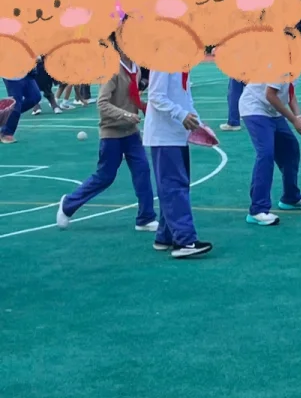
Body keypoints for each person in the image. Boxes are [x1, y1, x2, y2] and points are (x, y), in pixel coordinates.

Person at [56, 42, 157, 230]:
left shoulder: (136, 69)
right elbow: (102, 103)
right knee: (105, 176)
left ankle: (146, 218)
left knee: (142, 171)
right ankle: (68, 204)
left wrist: (144, 108)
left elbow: (131, 97)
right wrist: (125, 115)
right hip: (112, 133)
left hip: (131, 132)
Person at [143, 69, 212, 259]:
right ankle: (184, 240)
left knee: (178, 186)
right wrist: (181, 115)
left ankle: (165, 236)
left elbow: (185, 98)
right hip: (164, 136)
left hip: (177, 134)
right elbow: (156, 96)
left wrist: (199, 124)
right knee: (174, 187)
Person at [239, 80, 301, 224]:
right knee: (266, 154)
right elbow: (270, 95)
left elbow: (290, 92)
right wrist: (293, 120)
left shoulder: (295, 68)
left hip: (272, 111)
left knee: (291, 149)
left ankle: (291, 197)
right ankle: (257, 210)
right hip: (255, 108)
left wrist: (299, 118)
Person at [0, 69, 42, 143]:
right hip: (12, 74)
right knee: (16, 104)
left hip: (26, 72)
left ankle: (5, 115)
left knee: (35, 97)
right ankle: (6, 133)